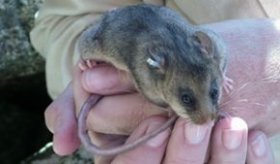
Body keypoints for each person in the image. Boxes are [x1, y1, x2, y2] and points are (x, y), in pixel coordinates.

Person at [30, 0, 280, 163]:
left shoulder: (212, 59)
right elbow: (63, 22)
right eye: (187, 100)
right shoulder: (162, 68)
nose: (208, 117)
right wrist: (96, 86)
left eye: (214, 93)